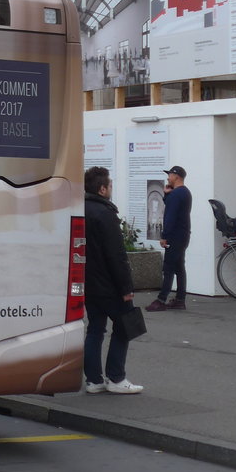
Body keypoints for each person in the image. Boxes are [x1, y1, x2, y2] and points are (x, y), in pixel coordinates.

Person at [83, 166, 143, 395]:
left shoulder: (81, 210)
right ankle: (116, 377)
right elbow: (116, 255)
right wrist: (126, 287)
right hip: (109, 285)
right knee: (124, 327)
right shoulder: (105, 214)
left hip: (89, 283)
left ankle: (93, 380)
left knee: (95, 329)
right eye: (110, 185)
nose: (111, 189)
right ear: (102, 189)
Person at [147, 165, 192, 312]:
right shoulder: (185, 192)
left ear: (176, 177)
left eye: (170, 175)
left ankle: (161, 300)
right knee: (179, 267)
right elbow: (174, 209)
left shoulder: (177, 194)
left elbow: (170, 216)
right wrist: (167, 195)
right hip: (183, 235)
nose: (168, 177)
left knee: (168, 268)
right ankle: (180, 300)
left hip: (175, 236)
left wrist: (164, 236)